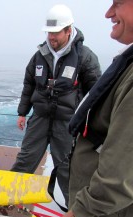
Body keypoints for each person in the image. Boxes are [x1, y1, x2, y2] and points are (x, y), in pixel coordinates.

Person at [10, 4, 101, 204]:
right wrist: (22, 112)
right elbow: (29, 85)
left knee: (67, 169)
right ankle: (7, 197)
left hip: (67, 124)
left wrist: (91, 123)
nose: (51, 38)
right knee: (25, 159)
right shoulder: (39, 56)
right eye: (49, 33)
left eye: (56, 33)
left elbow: (96, 94)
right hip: (40, 119)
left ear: (69, 30)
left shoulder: (85, 57)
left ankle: (74, 213)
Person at [59, 1, 133, 217]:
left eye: (118, 3)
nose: (108, 13)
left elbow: (123, 166)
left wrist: (81, 212)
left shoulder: (86, 58)